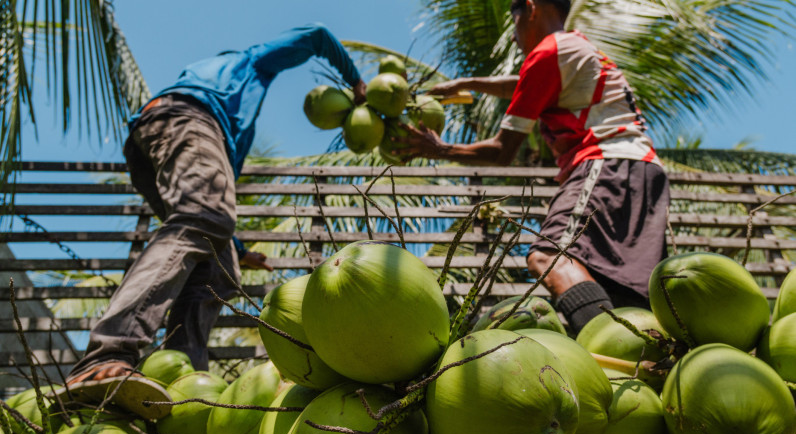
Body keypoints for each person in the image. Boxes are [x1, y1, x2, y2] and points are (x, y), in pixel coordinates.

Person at [66, 24, 366, 384]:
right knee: (201, 220)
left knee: (220, 269)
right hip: (186, 120)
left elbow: (209, 208)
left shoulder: (232, 123)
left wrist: (239, 248)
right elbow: (316, 35)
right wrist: (357, 83)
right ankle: (109, 352)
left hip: (155, 135)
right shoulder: (249, 63)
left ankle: (179, 379)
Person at [397, 0, 669, 333]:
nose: (513, 37)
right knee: (624, 287)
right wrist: (466, 83)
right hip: (644, 171)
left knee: (549, 256)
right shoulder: (575, 47)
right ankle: (647, 353)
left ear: (530, 8)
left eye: (514, 23)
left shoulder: (548, 53)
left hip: (605, 163)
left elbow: (502, 151)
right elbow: (523, 85)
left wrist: (438, 149)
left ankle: (614, 344)